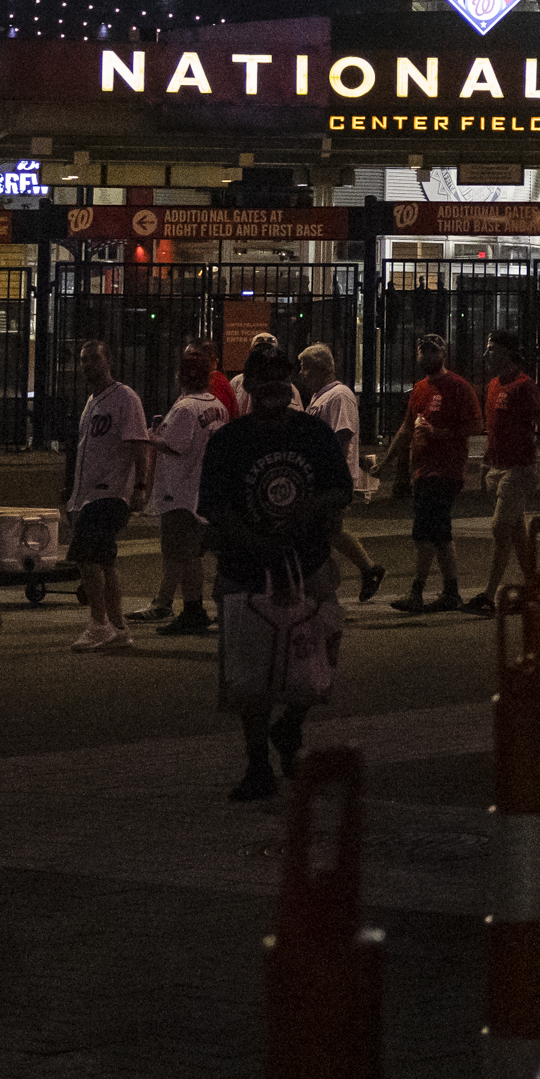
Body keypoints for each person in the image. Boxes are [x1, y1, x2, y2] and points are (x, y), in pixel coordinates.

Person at [200, 338, 355, 800]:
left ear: (290, 384)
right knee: (251, 674)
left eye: (280, 378)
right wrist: (251, 540)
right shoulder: (230, 441)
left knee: (321, 651)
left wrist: (312, 509)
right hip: (246, 567)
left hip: (307, 563)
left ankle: (290, 725)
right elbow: (213, 505)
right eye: (263, 378)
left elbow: (341, 489)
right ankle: (256, 764)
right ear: (251, 386)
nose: (273, 386)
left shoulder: (314, 436)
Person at [62, 340, 151, 651]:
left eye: (93, 360)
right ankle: (118, 627)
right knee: (104, 560)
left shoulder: (124, 398)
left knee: (87, 557)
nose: (87, 366)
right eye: (83, 360)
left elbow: (139, 444)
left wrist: (140, 487)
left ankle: (99, 623)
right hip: (87, 495)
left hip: (110, 492)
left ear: (109, 362)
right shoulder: (92, 401)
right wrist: (72, 496)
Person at [391, 335, 479, 614]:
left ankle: (417, 591)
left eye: (433, 351)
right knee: (440, 533)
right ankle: (451, 591)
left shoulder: (458, 387)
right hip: (423, 469)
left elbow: (476, 426)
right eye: (422, 352)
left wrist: (439, 434)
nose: (426, 357)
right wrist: (385, 463)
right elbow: (406, 429)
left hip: (445, 470)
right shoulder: (418, 389)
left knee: (425, 533)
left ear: (443, 354)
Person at [148, 346, 229, 637]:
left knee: (181, 553)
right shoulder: (216, 404)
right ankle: (195, 608)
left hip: (181, 491)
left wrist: (152, 437)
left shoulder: (185, 407)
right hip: (202, 487)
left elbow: (175, 446)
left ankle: (193, 608)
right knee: (192, 553)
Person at [469, 330, 540, 614]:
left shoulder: (524, 385)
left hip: (519, 468)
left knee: (500, 528)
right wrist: (485, 463)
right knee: (517, 534)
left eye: (491, 349)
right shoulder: (493, 385)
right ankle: (536, 590)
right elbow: (494, 429)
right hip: (499, 467)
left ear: (506, 352)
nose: (486, 355)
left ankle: (488, 595)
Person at [295, 342, 382, 602]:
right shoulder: (320, 397)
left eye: (306, 368)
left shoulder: (339, 395)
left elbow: (342, 435)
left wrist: (334, 474)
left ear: (322, 368)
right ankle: (367, 570)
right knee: (329, 530)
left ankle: (326, 583)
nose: (302, 374)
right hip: (320, 476)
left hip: (331, 477)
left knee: (323, 530)